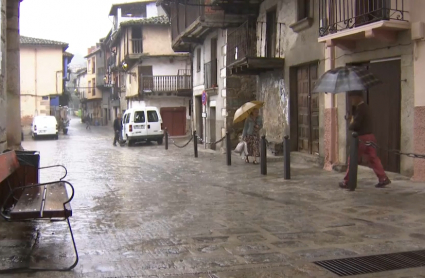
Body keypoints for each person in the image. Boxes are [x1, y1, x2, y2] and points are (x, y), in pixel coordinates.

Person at [340, 91, 391, 189]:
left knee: (353, 159)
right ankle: (383, 178)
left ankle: (347, 181)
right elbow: (360, 120)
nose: (351, 100)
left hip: (361, 137)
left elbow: (356, 125)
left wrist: (351, 123)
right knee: (373, 158)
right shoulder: (365, 108)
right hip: (370, 136)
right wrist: (352, 117)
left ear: (358, 97)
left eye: (352, 98)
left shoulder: (361, 108)